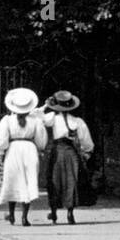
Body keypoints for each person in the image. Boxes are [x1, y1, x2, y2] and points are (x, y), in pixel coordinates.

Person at [40, 90, 95, 224]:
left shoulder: (52, 117)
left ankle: (53, 212)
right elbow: (86, 141)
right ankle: (70, 213)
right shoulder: (77, 121)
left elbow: (36, 116)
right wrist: (87, 151)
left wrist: (45, 106)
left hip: (57, 152)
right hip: (71, 152)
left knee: (54, 180)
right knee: (71, 181)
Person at [0, 87, 49, 225]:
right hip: (29, 150)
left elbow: (2, 140)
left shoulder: (7, 120)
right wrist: (39, 149)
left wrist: (1, 154)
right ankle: (25, 217)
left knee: (12, 180)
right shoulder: (35, 120)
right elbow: (40, 140)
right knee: (28, 181)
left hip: (13, 150)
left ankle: (12, 214)